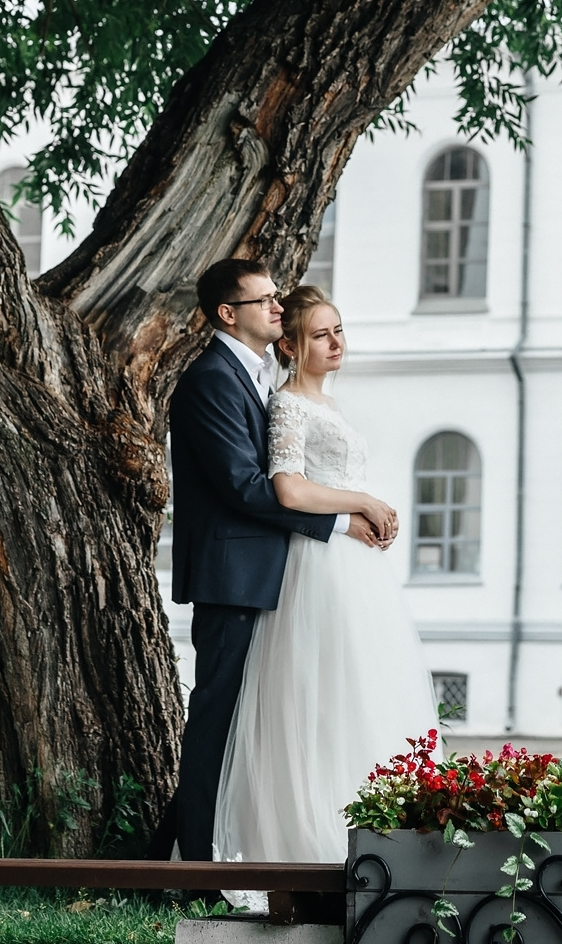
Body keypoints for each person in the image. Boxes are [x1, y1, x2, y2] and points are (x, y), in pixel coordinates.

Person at [161, 259, 399, 866]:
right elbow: (245, 487)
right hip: (232, 577)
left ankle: (217, 845)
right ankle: (194, 860)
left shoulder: (263, 376)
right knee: (217, 716)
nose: (276, 305)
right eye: (264, 299)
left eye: (276, 298)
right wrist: (342, 521)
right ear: (227, 313)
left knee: (256, 723)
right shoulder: (211, 379)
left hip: (274, 575)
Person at [214, 283, 437, 866]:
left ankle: (387, 837)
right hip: (318, 568)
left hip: (356, 570)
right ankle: (317, 836)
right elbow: (287, 487)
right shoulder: (288, 404)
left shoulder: (329, 403)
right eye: (321, 334)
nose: (336, 341)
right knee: (323, 697)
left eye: (339, 330)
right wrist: (358, 501)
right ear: (290, 346)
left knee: (364, 691)